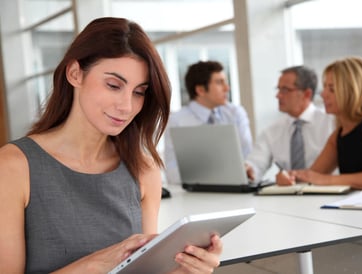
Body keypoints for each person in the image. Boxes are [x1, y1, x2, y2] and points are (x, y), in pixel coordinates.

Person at [0, 17, 222, 273]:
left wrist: (186, 269)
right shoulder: (13, 167)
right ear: (74, 74)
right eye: (114, 85)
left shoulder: (143, 169)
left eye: (139, 92)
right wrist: (96, 264)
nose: (127, 106)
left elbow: (145, 270)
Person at [281, 56, 362, 192]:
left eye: (331, 89)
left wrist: (326, 180)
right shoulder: (339, 133)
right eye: (325, 87)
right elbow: (313, 175)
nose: (323, 94)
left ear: (353, 91)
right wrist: (291, 177)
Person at [164, 60, 253, 185]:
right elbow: (172, 170)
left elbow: (247, 154)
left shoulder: (235, 113)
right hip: (196, 192)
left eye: (225, 82)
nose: (227, 88)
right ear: (200, 90)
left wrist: (248, 169)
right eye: (219, 83)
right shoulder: (177, 121)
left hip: (236, 187)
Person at [245, 65, 334, 183]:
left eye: (285, 90)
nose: (278, 95)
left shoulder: (331, 123)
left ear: (307, 94)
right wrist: (249, 170)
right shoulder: (272, 131)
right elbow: (256, 163)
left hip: (327, 192)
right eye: (278, 89)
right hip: (288, 196)